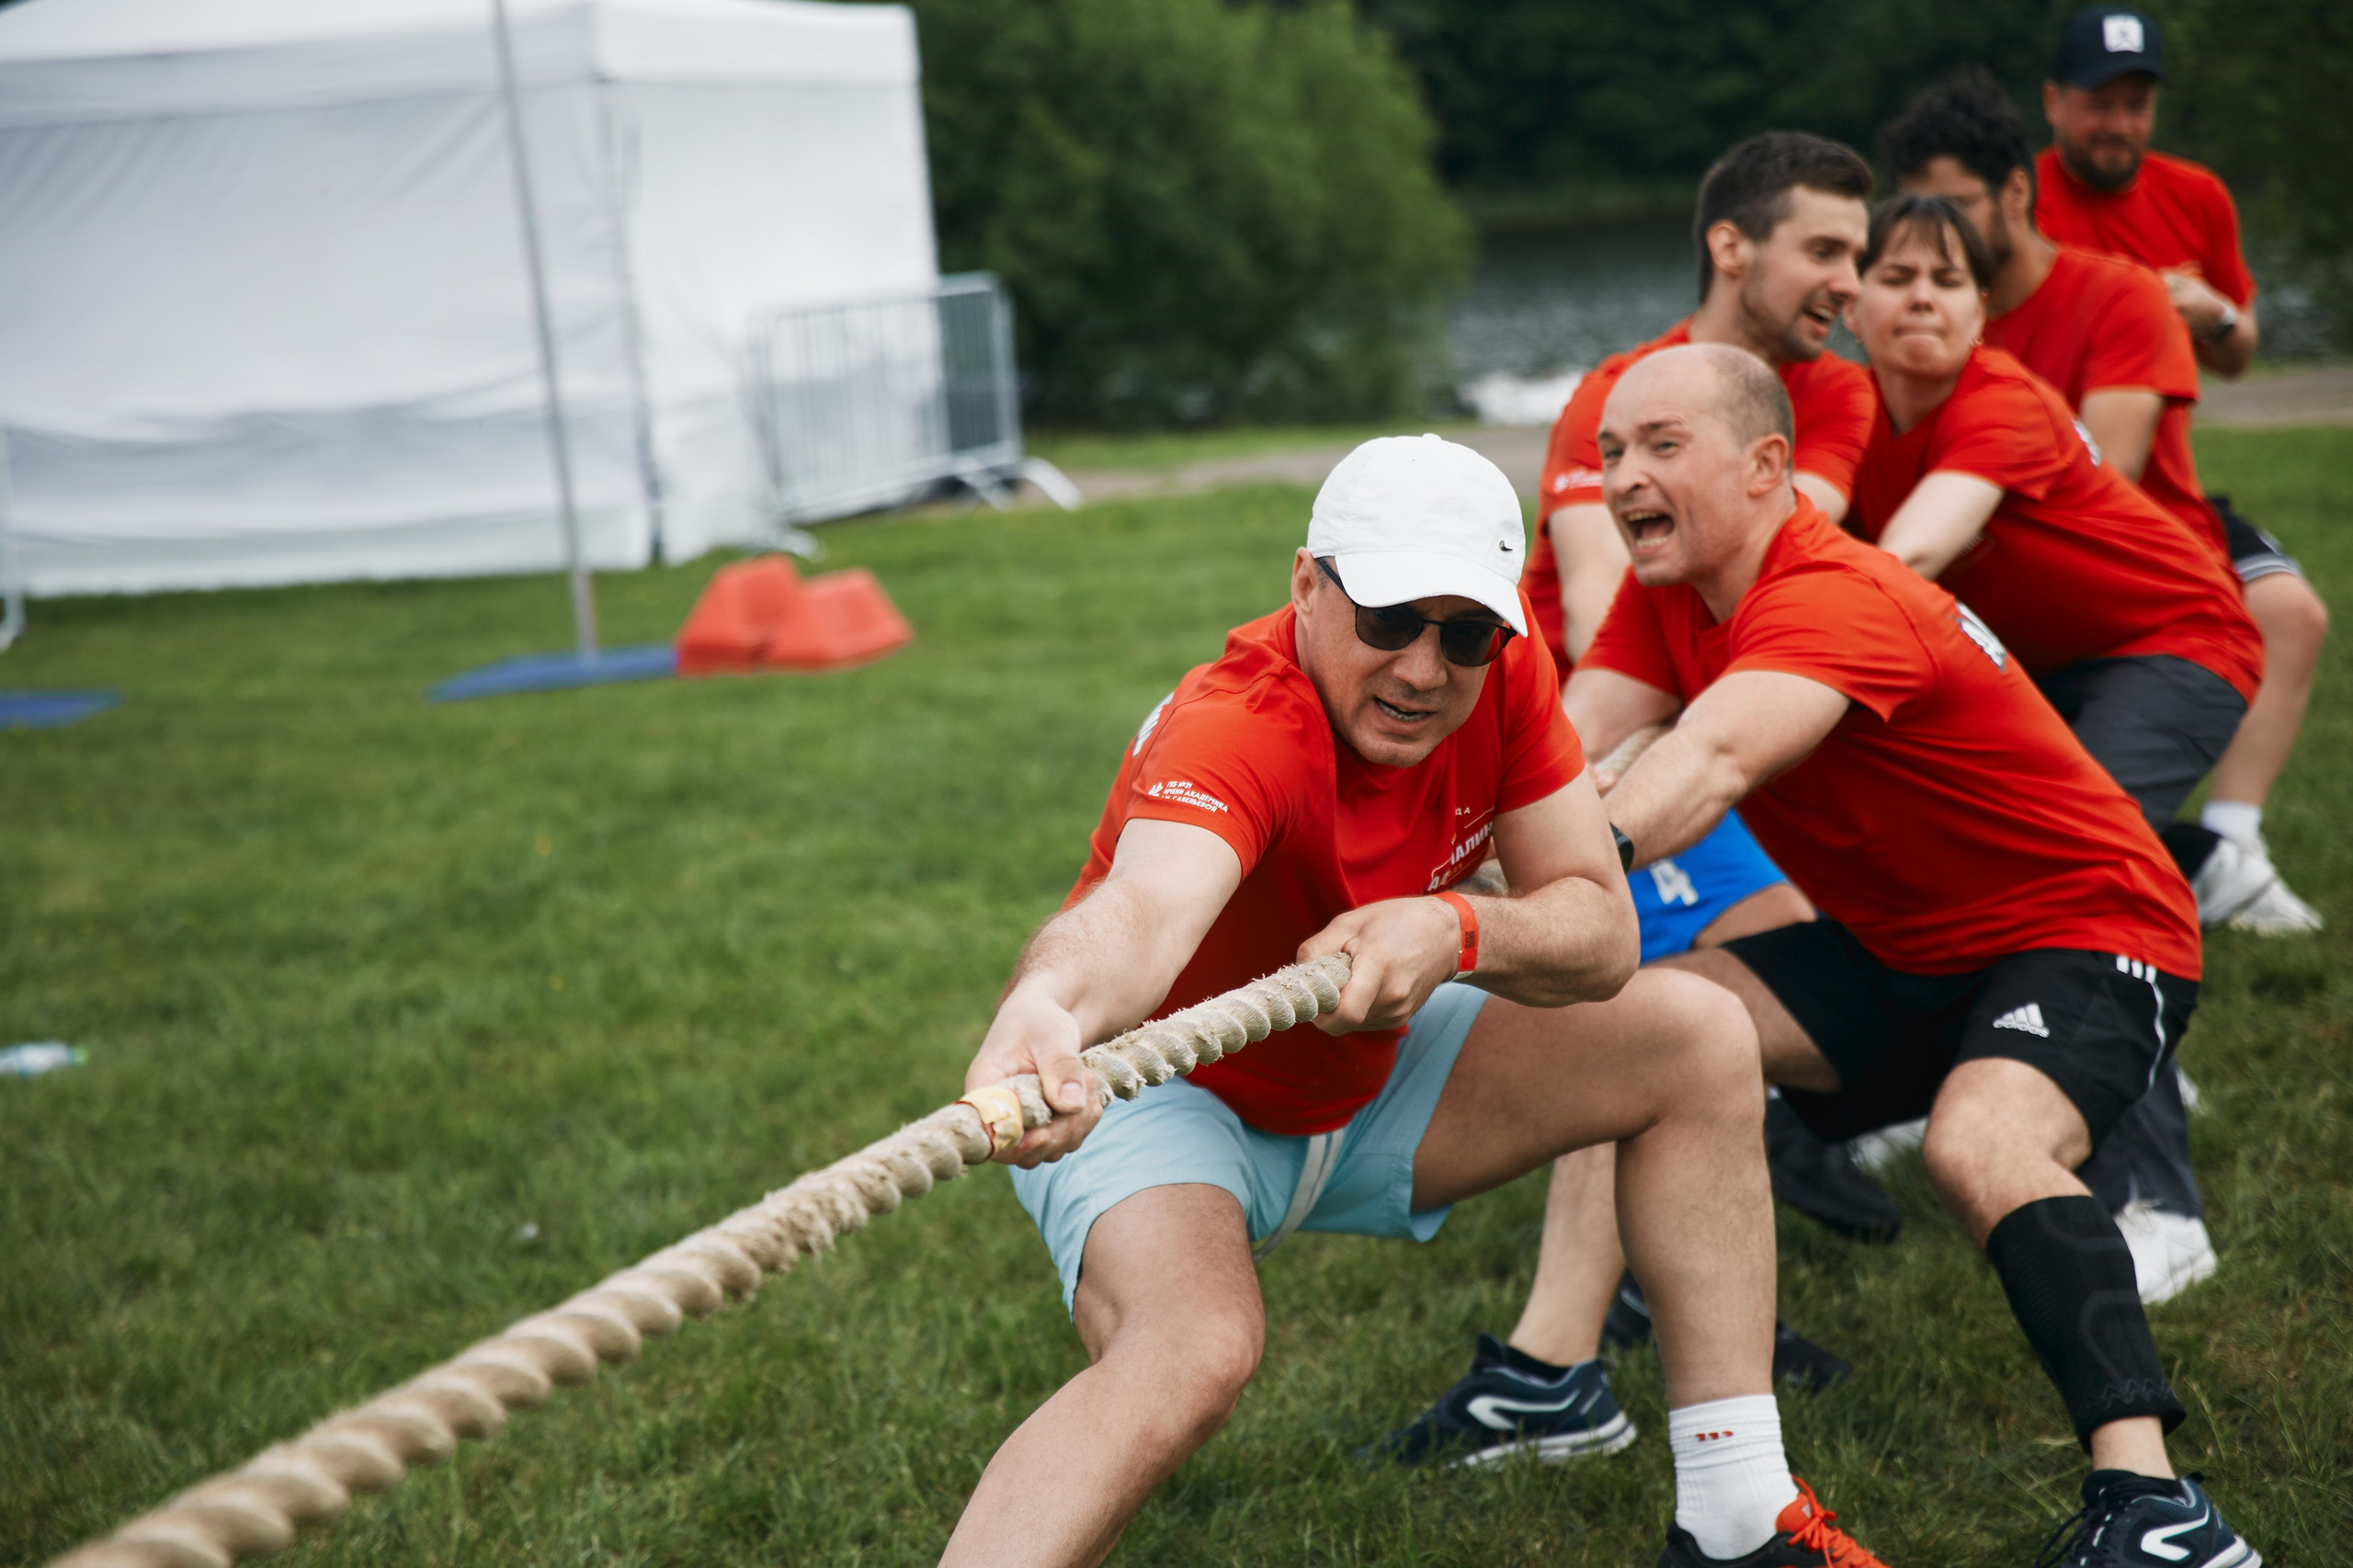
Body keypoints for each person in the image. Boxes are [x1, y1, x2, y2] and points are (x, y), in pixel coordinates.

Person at [945, 434, 1887, 1568]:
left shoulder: (1507, 682)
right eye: (1388, 617)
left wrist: (1454, 928)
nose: (1423, 667)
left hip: (1375, 1078)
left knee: (1696, 1033)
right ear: (1306, 585)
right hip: (1169, 1093)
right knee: (1192, 1348)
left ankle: (1739, 1515)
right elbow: (1143, 908)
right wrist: (1048, 1000)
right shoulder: (1238, 723)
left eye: (1465, 630)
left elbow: (1598, 926)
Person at [1574, 341, 2254, 1566]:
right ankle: (1615, 1393)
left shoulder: (1831, 592)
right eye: (1612, 451)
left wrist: (1544, 881)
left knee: (1979, 1142)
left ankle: (2159, 1509)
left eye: (1662, 446)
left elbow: (1709, 762)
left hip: (2091, 928)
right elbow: (1572, 747)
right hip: (1902, 949)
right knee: (1639, 1033)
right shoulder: (1665, 596)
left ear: (1768, 464)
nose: (1623, 477)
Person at [1874, 74, 2233, 1303]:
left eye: (1947, 276)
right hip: (2039, 669)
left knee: (2084, 878)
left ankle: (2156, 1196)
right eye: (1891, 275)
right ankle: (1912, 1083)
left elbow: (1912, 554)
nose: (1920, 296)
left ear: (1983, 306)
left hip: (2171, 641)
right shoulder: (1854, 407)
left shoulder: (2000, 398)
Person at [1520, 129, 1905, 1258]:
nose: (1852, 281)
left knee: (1781, 952)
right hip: (1586, 728)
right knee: (1637, 1001)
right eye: (1826, 249)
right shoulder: (1617, 395)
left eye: (1858, 251)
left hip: (1710, 713)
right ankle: (1582, 1323)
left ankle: (1747, 1134)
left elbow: (1782, 560)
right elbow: (1605, 605)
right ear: (1730, 246)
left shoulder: (1830, 390)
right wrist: (1610, 781)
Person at [2036, 5, 2332, 935]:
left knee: (2289, 612)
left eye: (2135, 102)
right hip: (2060, 496)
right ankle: (2154, 861)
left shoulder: (2195, 195)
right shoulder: (2021, 205)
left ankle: (2232, 843)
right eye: (2098, 102)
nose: (2117, 122)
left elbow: (2240, 351)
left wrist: (2207, 309)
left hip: (2167, 494)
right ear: (2053, 102)